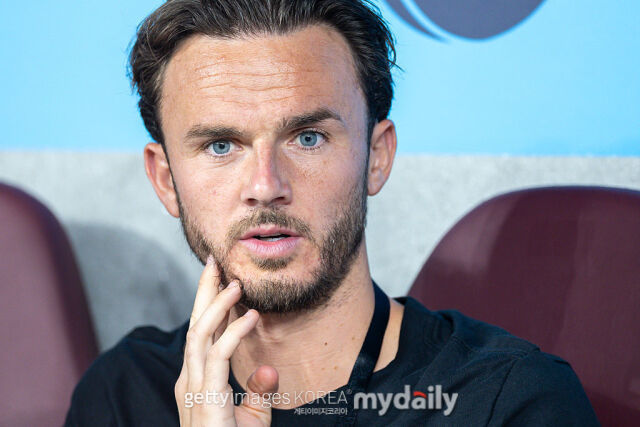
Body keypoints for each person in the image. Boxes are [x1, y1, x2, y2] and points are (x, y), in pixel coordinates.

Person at [65, 0, 598, 425]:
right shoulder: (122, 395)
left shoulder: (508, 402)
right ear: (165, 180)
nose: (266, 186)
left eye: (308, 138)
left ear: (377, 157)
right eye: (221, 146)